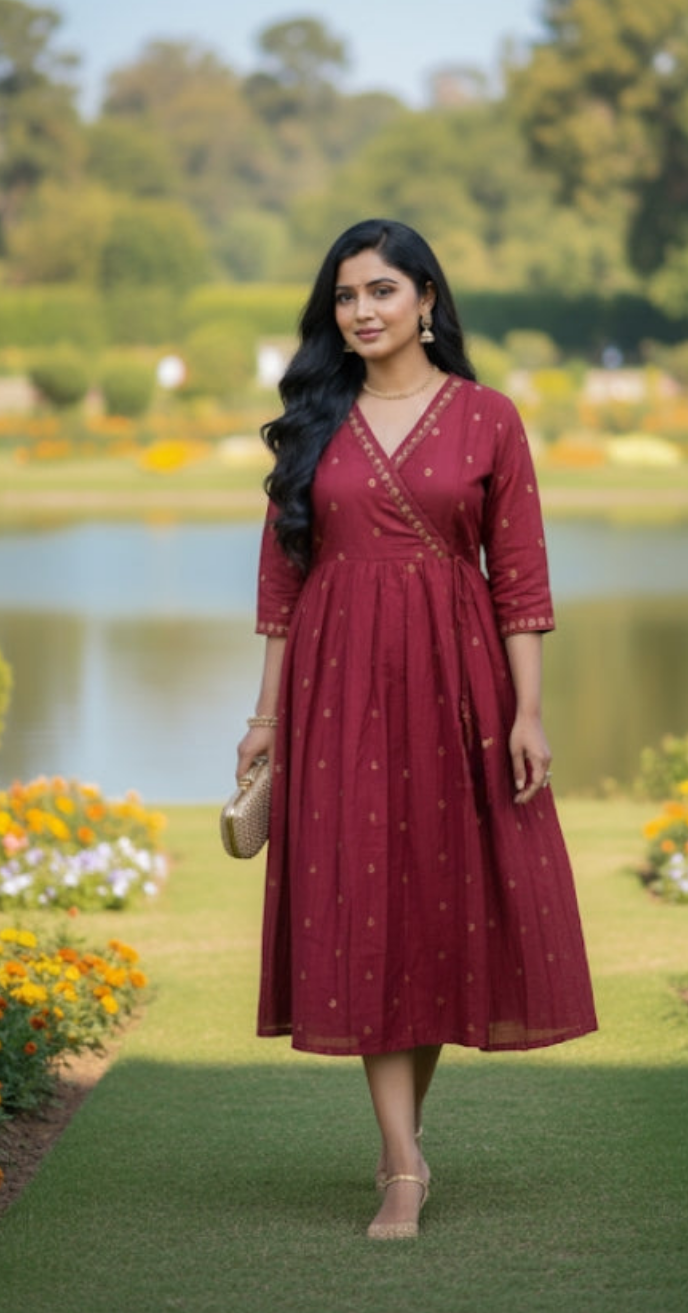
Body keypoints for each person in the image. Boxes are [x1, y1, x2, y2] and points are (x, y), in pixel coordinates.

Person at [237, 219, 597, 1240]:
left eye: (382, 291)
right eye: (346, 295)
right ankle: (400, 1165)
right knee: (359, 905)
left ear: (427, 300)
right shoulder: (314, 420)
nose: (362, 311)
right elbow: (281, 580)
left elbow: (518, 575)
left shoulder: (487, 417)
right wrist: (262, 718)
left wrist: (526, 710)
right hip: (335, 684)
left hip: (458, 683)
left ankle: (407, 1141)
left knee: (433, 908)